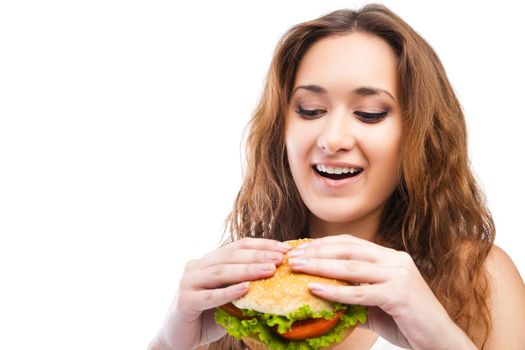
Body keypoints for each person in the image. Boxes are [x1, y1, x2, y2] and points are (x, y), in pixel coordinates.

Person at [148, 4, 525, 350]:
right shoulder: (242, 287)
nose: (332, 140)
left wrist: (440, 338)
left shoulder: (479, 279)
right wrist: (168, 342)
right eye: (310, 111)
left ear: (418, 133)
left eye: (370, 113)